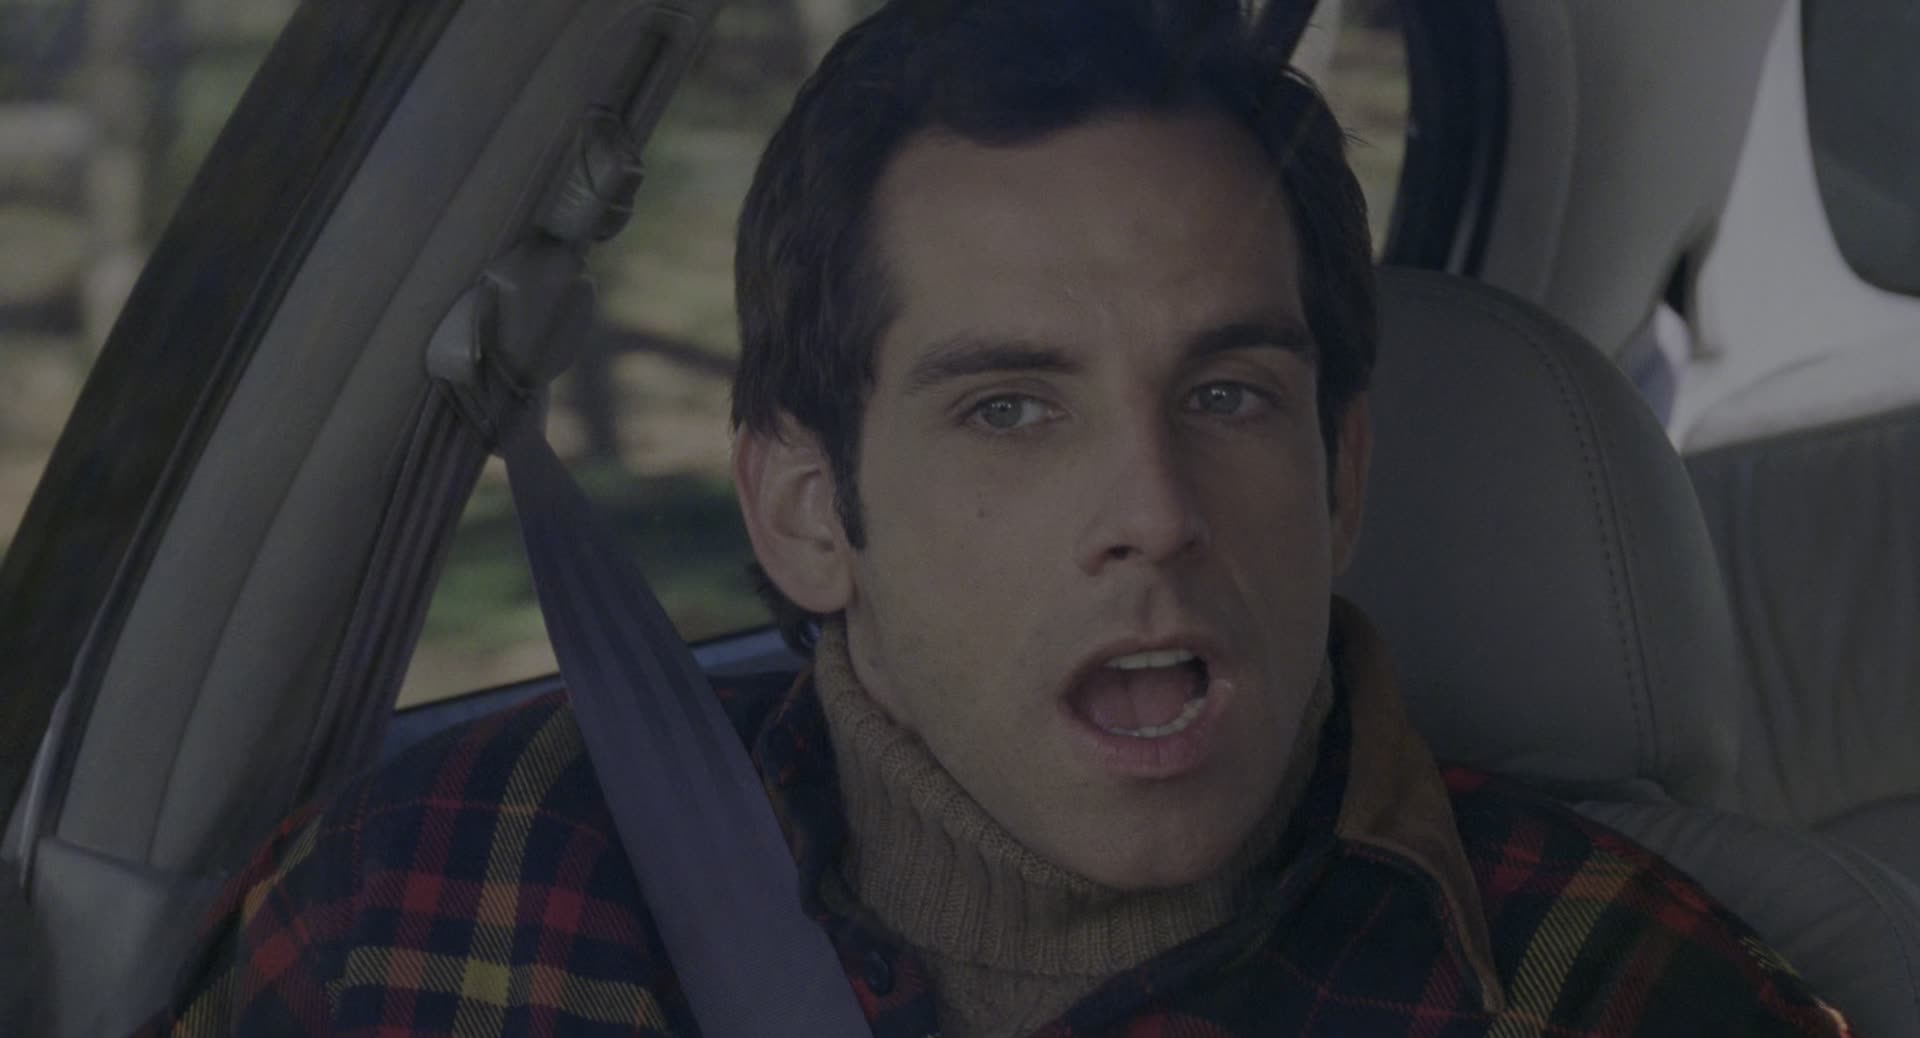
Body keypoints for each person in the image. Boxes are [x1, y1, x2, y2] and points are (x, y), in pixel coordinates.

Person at [134, 0, 1853, 1034]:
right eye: (1011, 408)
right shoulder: (432, 896)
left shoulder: (1620, 992)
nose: (1154, 512)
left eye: (1228, 394)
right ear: (808, 510)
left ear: (1338, 477)